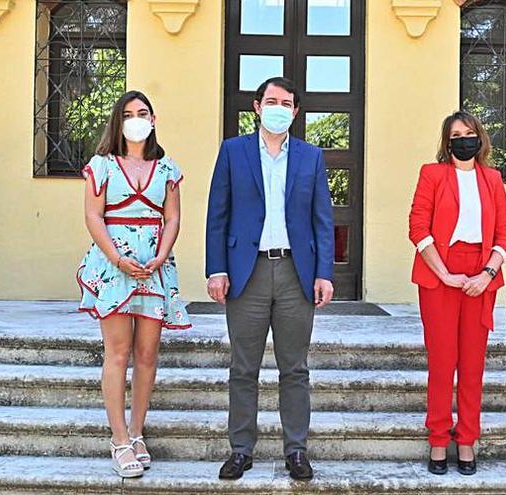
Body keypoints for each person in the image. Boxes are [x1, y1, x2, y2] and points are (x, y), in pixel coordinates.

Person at [205, 76, 334, 481]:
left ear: (295, 112)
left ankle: (296, 449)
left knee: (294, 368)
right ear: (257, 107)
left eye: (287, 103)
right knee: (244, 368)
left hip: (297, 273)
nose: (279, 108)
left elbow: (322, 220)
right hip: (249, 272)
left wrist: (324, 273)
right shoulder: (233, 151)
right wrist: (217, 268)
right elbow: (217, 214)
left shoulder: (311, 157)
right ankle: (241, 449)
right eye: (271, 100)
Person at [76, 90, 191, 478]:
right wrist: (117, 258)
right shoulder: (102, 165)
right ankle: (119, 438)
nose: (136, 119)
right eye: (128, 113)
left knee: (147, 354)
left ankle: (138, 431)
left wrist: (160, 254)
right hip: (114, 263)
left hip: (155, 265)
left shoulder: (167, 169)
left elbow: (172, 218)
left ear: (154, 120)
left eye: (143, 112)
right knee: (118, 353)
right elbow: (93, 216)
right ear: (118, 121)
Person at [408, 110, 506, 476]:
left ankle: (467, 438)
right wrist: (445, 273)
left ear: (479, 138)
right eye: (456, 134)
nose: (463, 138)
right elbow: (418, 226)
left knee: (472, 365)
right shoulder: (433, 174)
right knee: (442, 363)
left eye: (469, 132)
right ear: (447, 140)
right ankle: (439, 438)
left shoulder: (492, 179)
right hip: (439, 273)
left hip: (480, 274)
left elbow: (505, 233)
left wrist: (487, 273)